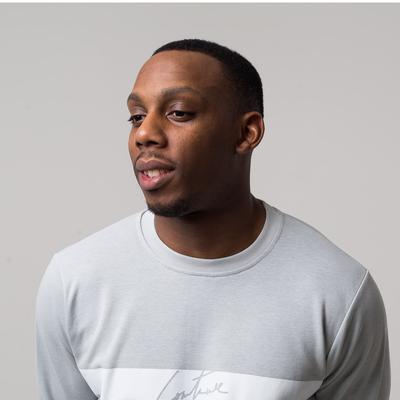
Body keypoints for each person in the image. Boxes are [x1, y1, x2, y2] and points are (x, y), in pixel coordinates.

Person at [35, 38, 391, 400]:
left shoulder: (339, 291)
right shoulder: (74, 281)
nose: (144, 134)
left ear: (246, 133)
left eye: (178, 113)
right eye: (136, 117)